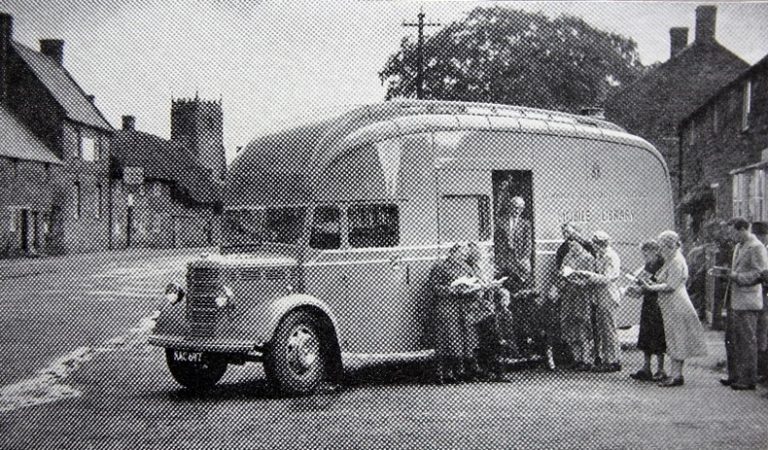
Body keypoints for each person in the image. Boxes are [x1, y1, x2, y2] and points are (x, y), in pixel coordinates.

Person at [641, 230, 708, 387]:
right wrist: (652, 284)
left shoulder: (677, 261)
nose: (660, 250)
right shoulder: (671, 260)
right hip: (670, 304)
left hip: (676, 303)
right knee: (673, 338)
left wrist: (651, 288)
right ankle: (674, 374)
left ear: (669, 246)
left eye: (662, 246)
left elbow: (671, 285)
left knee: (677, 338)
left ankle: (676, 375)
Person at [716, 218, 768, 391]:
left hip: (748, 301)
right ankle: (735, 375)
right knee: (731, 339)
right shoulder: (739, 246)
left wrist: (737, 277)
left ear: (744, 229)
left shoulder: (756, 247)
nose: (732, 236)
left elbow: (761, 273)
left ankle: (748, 378)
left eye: (734, 232)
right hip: (735, 299)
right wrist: (727, 274)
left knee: (747, 341)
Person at [428, 243, 480, 384]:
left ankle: (456, 373)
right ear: (452, 253)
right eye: (460, 254)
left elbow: (475, 282)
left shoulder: (466, 267)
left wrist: (475, 288)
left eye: (464, 255)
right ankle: (441, 374)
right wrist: (453, 290)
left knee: (458, 343)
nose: (463, 257)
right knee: (445, 342)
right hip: (446, 308)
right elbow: (434, 288)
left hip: (461, 309)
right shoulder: (440, 267)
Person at [465, 242, 511, 380]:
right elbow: (472, 288)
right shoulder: (469, 268)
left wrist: (491, 286)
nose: (480, 254)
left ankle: (494, 371)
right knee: (487, 340)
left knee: (491, 339)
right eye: (477, 252)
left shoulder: (479, 267)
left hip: (485, 308)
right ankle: (492, 371)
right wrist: (485, 288)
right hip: (477, 309)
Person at [582, 230, 622, 372]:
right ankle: (608, 359)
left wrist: (590, 276)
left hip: (607, 295)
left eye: (595, 244)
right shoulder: (600, 255)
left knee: (609, 329)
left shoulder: (611, 257)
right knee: (603, 329)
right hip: (600, 296)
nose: (594, 248)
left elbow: (609, 277)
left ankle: (612, 360)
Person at [627, 240, 667, 382]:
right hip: (648, 301)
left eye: (646, 253)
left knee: (658, 334)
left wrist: (646, 285)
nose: (645, 256)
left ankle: (661, 369)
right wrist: (636, 288)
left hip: (658, 302)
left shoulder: (662, 264)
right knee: (646, 333)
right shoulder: (648, 265)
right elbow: (643, 281)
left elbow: (662, 282)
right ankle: (646, 367)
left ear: (654, 251)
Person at [558, 238, 596, 371]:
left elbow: (592, 277)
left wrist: (579, 281)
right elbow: (562, 273)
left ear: (581, 244)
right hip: (569, 294)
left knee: (582, 323)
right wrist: (563, 279)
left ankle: (586, 359)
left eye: (574, 244)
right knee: (569, 323)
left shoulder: (588, 258)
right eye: (569, 245)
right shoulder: (568, 256)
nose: (571, 247)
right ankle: (576, 358)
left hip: (581, 295)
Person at [495, 195, 533, 290]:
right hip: (505, 259)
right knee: (504, 284)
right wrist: (499, 259)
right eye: (515, 207)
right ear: (510, 207)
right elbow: (497, 242)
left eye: (520, 208)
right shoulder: (500, 222)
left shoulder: (525, 224)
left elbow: (528, 243)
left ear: (523, 209)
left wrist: (525, 259)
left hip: (520, 259)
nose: (517, 210)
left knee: (520, 284)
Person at [752, 221, 768, 384]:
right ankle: (761, 370)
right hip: (759, 296)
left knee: (762, 333)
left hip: (764, 295)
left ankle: (763, 371)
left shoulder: (762, 250)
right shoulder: (759, 249)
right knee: (760, 333)